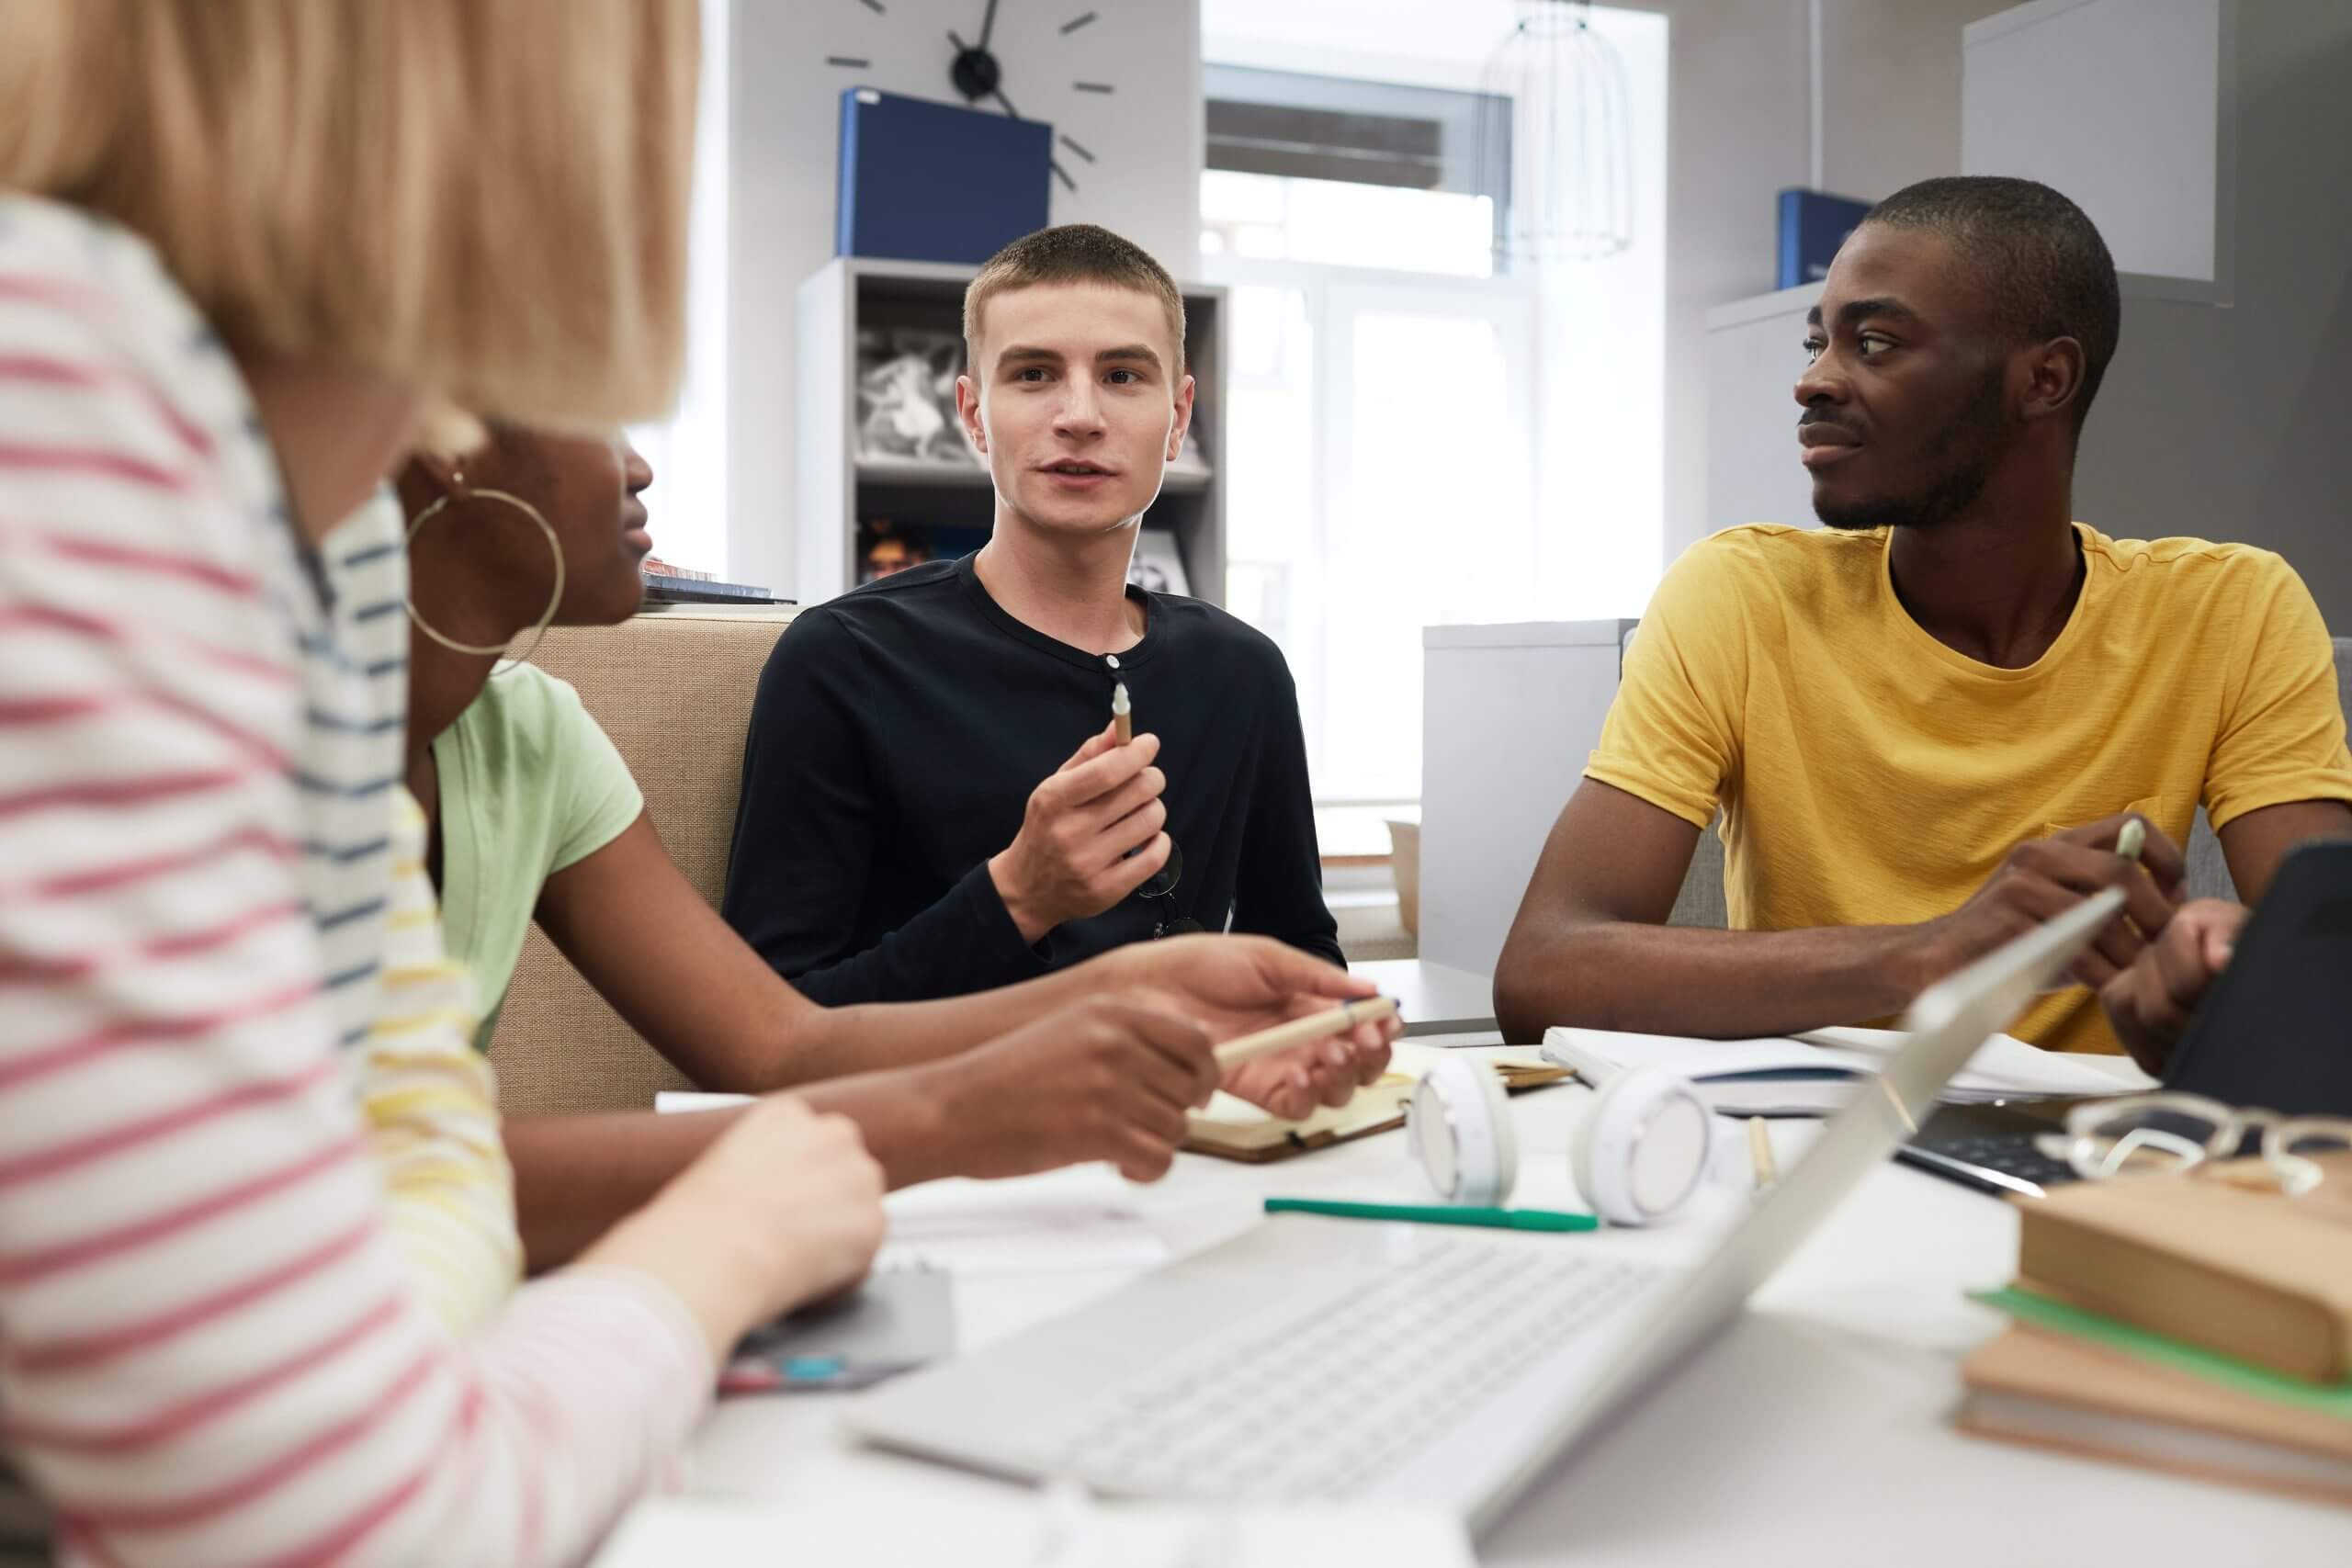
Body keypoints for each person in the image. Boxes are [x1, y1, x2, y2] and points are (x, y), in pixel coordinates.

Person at [0, 4, 887, 1562]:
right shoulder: (63, 391)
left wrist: (380, 1374)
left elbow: (416, 1156)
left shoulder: (319, 539)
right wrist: (719, 1244)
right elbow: (347, 1525)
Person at [396, 423, 1396, 1269]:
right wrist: (968, 1102)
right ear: (439, 438)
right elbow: (352, 1190)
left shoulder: (534, 734)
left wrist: (1145, 995)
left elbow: (781, 1044)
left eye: (1124, 377)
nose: (641, 464)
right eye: (593, 406)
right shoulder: (262, 751)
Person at [1494, 176, 2352, 1071]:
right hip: (1813, 1158)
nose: (1813, 379)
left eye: (1873, 342)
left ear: (2043, 379)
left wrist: (2215, 978)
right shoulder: (1739, 595)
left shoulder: (2230, 608)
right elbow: (1543, 972)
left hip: (2101, 1171)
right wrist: (1935, 953)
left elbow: (2328, 979)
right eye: (1817, 341)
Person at [723, 224, 1343, 1005]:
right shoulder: (843, 661)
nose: (1080, 414)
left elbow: (1299, 957)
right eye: (1034, 374)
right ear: (974, 414)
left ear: (1178, 418)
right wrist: (1019, 893)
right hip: (930, 1121)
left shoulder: (1243, 673)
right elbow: (763, 1028)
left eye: (1122, 375)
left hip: (1186, 1121)